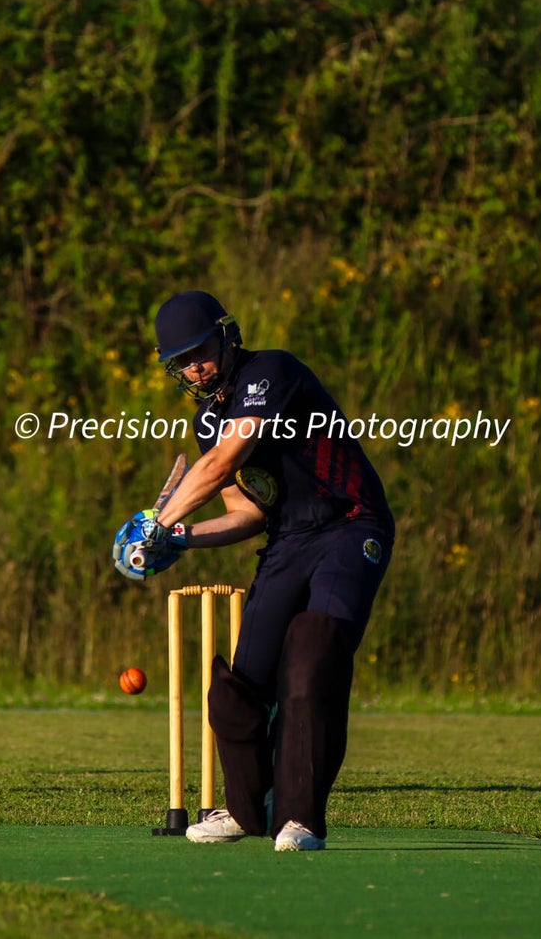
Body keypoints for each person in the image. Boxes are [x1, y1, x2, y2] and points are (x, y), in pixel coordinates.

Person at [146, 289, 394, 851]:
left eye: (200, 350)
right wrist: (180, 538)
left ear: (227, 335)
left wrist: (159, 520)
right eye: (181, 361)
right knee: (237, 685)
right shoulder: (208, 419)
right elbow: (247, 512)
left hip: (350, 524)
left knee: (312, 652)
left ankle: (299, 819)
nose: (195, 367)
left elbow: (225, 462)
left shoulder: (272, 372)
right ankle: (244, 812)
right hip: (288, 538)